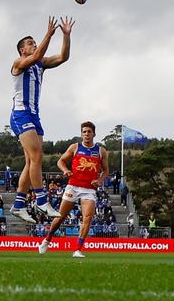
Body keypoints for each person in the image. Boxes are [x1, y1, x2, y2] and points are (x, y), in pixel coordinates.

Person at [9, 16, 74, 222]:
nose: (34, 45)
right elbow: (38, 54)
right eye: (30, 43)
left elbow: (63, 57)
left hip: (35, 116)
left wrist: (65, 35)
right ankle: (40, 200)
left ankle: (19, 205)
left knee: (31, 162)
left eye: (35, 42)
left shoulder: (40, 64)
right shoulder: (19, 63)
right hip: (21, 114)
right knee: (36, 157)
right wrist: (48, 34)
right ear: (22, 50)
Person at [38, 121, 109, 258]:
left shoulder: (101, 151)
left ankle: (77, 249)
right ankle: (47, 239)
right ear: (81, 134)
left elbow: (106, 171)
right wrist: (65, 170)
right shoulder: (75, 147)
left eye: (89, 131)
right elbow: (60, 161)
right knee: (61, 217)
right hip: (73, 187)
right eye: (84, 132)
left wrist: (100, 180)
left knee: (87, 218)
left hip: (89, 189)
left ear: (94, 133)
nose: (86, 134)